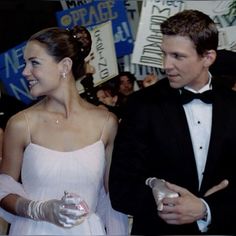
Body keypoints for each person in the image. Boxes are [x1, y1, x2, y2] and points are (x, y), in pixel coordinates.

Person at [109, 9, 236, 235]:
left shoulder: (233, 104)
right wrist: (160, 196)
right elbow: (121, 188)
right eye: (164, 54)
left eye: (177, 56)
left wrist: (205, 208)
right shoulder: (141, 105)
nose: (166, 65)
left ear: (208, 57)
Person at [0, 25, 128, 235]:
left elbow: (113, 200)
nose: (25, 72)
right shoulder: (21, 124)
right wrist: (39, 210)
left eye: (34, 63)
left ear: (64, 66)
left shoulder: (106, 123)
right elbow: (2, 190)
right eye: (25, 63)